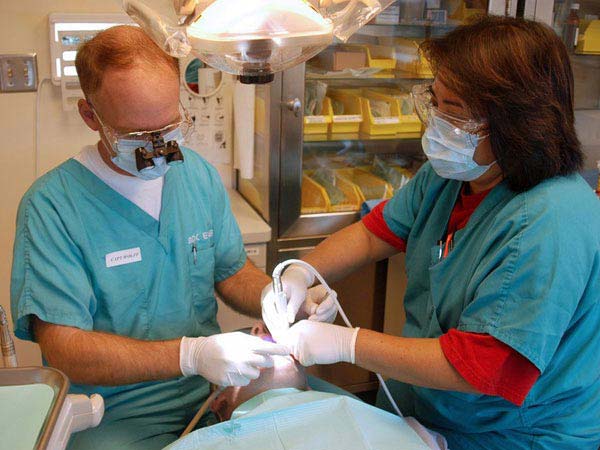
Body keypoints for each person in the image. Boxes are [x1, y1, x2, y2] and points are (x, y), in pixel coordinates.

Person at [263, 15, 600, 449]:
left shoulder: (549, 222)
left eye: (453, 111)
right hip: (431, 408)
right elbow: (372, 234)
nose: (436, 122)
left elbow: (481, 365)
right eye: (434, 101)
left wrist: (347, 344)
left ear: (516, 123)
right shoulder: (456, 176)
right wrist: (300, 273)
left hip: (512, 433)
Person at [9, 26, 336, 450]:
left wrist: (276, 298)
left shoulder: (195, 175)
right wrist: (190, 355)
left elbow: (231, 271)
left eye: (169, 129)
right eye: (137, 137)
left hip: (211, 394)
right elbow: (65, 348)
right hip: (113, 413)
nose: (159, 149)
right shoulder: (52, 206)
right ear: (91, 117)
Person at [163, 323, 448, 450]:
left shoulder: (393, 424)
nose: (259, 331)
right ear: (219, 402)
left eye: (259, 332)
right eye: (245, 341)